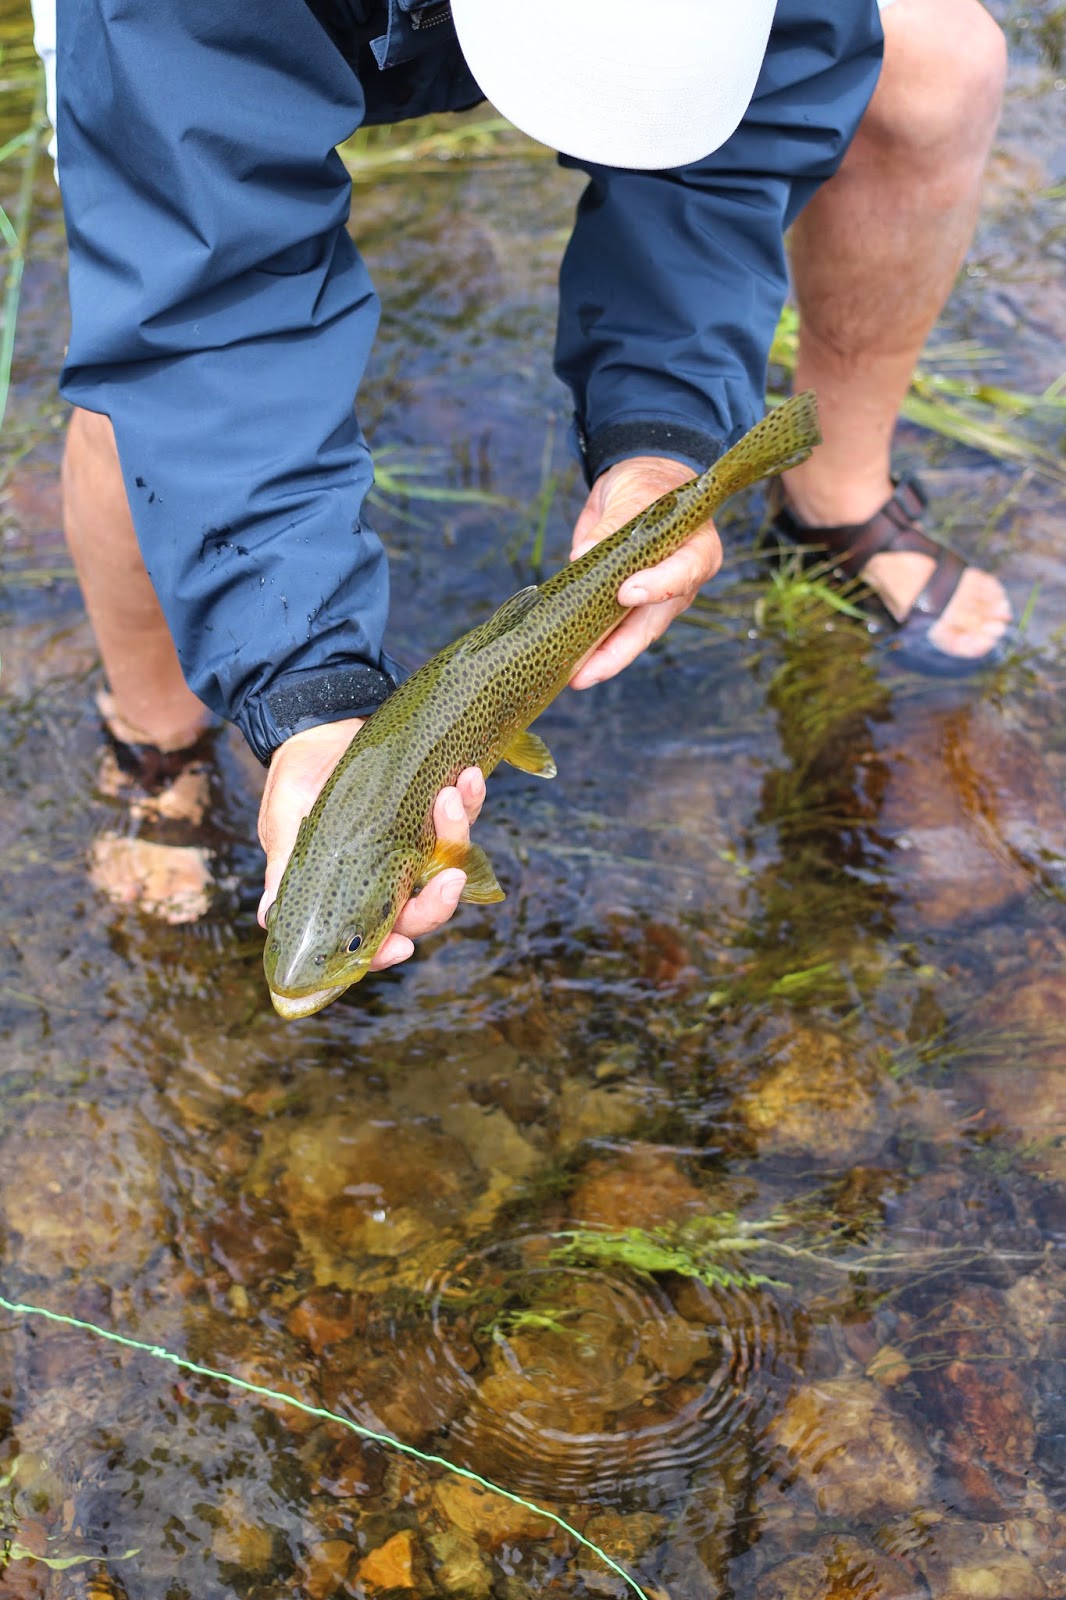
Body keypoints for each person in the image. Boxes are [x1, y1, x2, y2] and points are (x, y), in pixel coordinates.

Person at [37, 0, 1009, 955]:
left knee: (940, 63)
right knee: (139, 382)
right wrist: (307, 695)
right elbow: (206, 323)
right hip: (218, 32)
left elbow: (755, 111)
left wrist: (664, 434)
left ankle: (831, 495)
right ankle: (155, 740)